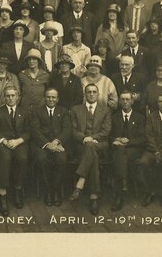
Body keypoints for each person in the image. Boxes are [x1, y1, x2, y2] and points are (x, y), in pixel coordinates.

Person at [68, 84, 111, 214]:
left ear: (98, 94)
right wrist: (84, 138)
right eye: (88, 92)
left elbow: (106, 131)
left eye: (94, 92)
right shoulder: (76, 109)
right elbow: (73, 131)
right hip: (81, 145)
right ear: (85, 95)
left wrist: (91, 138)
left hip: (100, 144)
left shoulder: (105, 110)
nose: (91, 94)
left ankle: (80, 183)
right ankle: (94, 197)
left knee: (91, 147)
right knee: (93, 156)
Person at [0, 86, 32, 215]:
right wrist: (3, 140)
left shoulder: (24, 112)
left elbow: (29, 131)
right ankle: (2, 194)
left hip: (19, 143)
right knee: (5, 158)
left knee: (22, 158)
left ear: (17, 97)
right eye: (8, 96)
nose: (11, 98)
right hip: (3, 144)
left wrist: (19, 140)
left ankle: (18, 189)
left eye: (13, 95)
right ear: (4, 97)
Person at [30, 88, 72, 207]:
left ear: (57, 99)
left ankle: (56, 189)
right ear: (45, 98)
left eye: (53, 97)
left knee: (62, 159)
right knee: (42, 159)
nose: (51, 99)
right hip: (41, 145)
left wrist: (56, 142)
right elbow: (35, 131)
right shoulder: (37, 112)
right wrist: (48, 144)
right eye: (48, 97)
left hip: (59, 145)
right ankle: (48, 191)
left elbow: (67, 129)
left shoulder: (63, 111)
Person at [108, 91, 147, 211]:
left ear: (132, 101)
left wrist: (127, 141)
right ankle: (123, 185)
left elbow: (143, 138)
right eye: (123, 100)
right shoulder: (114, 117)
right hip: (117, 149)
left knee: (121, 154)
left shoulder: (140, 117)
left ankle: (119, 193)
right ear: (119, 101)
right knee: (120, 153)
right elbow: (109, 136)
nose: (125, 102)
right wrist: (116, 139)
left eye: (128, 100)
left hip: (133, 150)